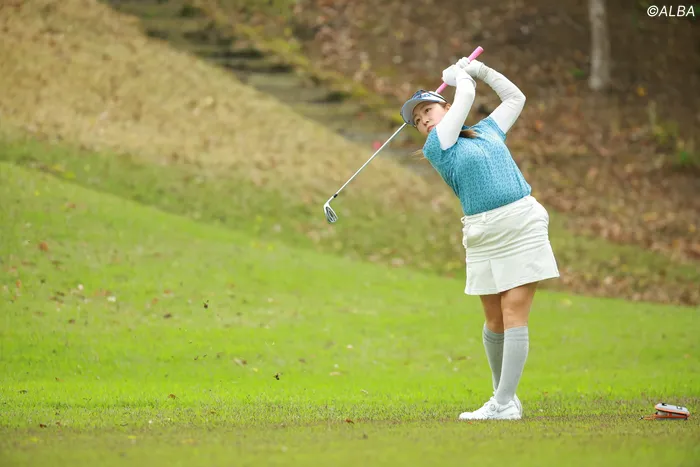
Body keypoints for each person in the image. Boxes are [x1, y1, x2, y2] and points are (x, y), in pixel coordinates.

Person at [399, 58, 560, 420]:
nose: (424, 121)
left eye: (427, 110)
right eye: (418, 120)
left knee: (513, 311)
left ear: (444, 106)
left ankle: (502, 403)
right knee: (494, 319)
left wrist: (482, 71)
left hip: (521, 223)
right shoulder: (438, 146)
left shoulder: (488, 130)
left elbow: (515, 99)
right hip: (482, 233)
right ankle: (503, 398)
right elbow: (467, 95)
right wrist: (459, 77)